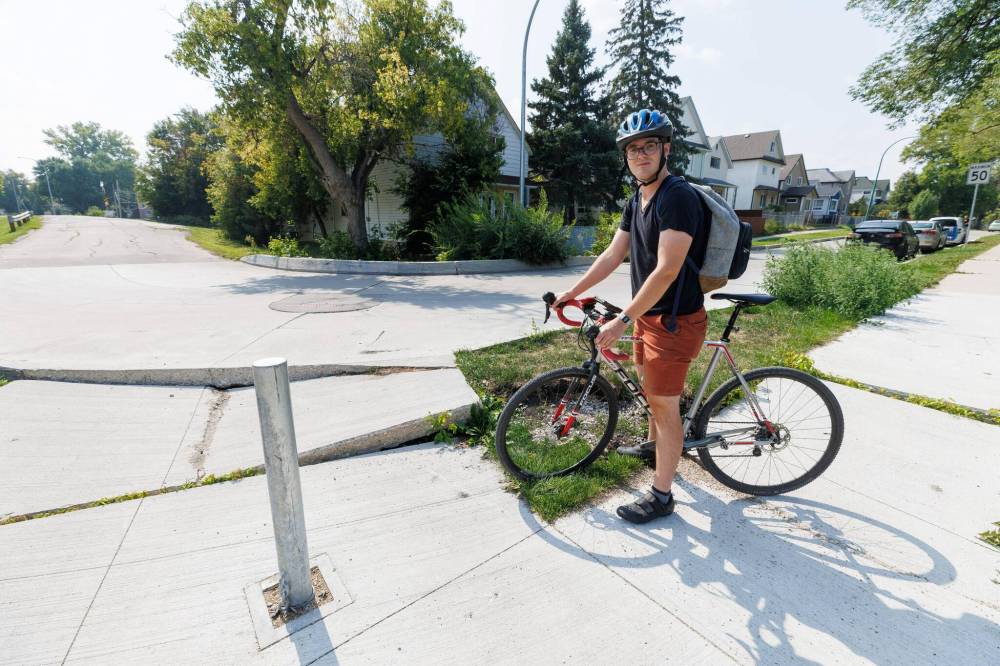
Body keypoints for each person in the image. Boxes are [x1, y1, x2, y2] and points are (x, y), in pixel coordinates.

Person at [552, 109, 708, 524]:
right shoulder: (636, 199)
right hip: (648, 316)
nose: (640, 154)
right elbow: (611, 255)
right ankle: (654, 449)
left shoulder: (677, 197)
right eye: (633, 149)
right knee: (650, 393)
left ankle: (662, 496)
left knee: (664, 408)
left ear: (665, 149)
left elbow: (667, 269)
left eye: (648, 146)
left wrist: (622, 318)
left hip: (673, 320)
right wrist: (573, 292)